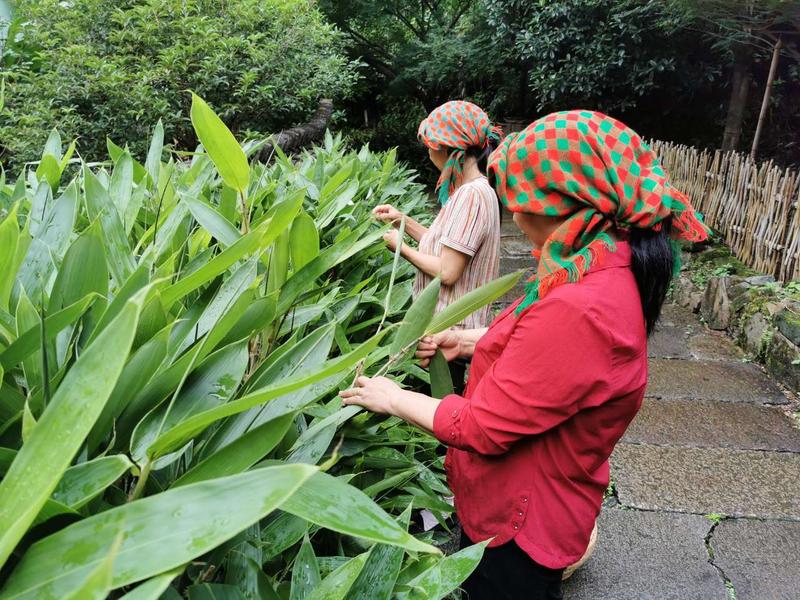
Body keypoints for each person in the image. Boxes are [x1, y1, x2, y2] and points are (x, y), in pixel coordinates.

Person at [342, 110, 710, 599]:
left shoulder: (582, 305)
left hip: (521, 525)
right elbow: (557, 363)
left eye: (522, 204)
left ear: (562, 205)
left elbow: (483, 427)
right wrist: (469, 341)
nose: (515, 217)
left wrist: (391, 397)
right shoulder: (598, 263)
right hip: (533, 499)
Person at [372, 101, 502, 393]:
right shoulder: (472, 190)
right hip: (445, 331)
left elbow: (448, 270)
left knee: (436, 426)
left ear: (447, 149)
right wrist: (402, 222)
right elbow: (447, 246)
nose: (429, 153)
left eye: (431, 146)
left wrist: (400, 249)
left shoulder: (471, 196)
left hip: (447, 334)